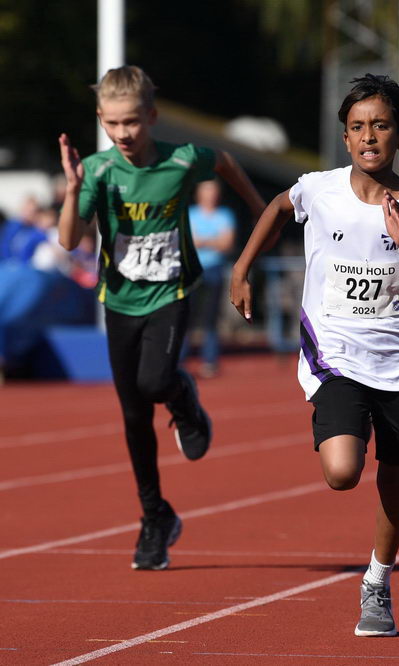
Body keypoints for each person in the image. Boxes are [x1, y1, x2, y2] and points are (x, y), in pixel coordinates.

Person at [230, 74, 399, 637]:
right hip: (335, 352)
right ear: (344, 136)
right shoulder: (320, 189)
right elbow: (281, 208)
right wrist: (242, 268)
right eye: (357, 127)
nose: (368, 136)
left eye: (381, 126)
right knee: (341, 472)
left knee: (397, 479)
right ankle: (341, 434)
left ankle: (377, 581)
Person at [57, 65, 266, 570]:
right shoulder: (99, 171)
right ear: (102, 121)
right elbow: (68, 240)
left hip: (171, 292)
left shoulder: (181, 159)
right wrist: (71, 189)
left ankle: (184, 398)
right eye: (112, 124)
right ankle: (156, 517)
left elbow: (228, 163)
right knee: (133, 417)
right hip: (120, 301)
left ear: (150, 116)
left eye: (131, 122)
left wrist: (265, 215)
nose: (123, 134)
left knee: (155, 381)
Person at [186, 179, 236, 378]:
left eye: (214, 191)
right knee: (185, 316)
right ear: (199, 194)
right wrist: (213, 241)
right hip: (192, 269)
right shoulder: (190, 214)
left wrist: (203, 241)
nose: (210, 195)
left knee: (211, 318)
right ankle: (180, 360)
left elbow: (227, 243)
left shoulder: (225, 215)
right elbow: (188, 242)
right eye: (206, 190)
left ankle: (209, 360)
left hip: (214, 269)